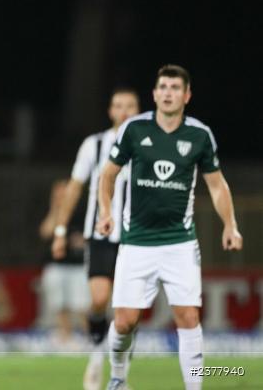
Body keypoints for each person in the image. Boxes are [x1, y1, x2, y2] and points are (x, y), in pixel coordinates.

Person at [97, 65, 243, 390]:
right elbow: (107, 175)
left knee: (188, 317)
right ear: (154, 94)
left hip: (179, 242)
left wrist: (230, 225)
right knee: (124, 322)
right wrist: (105, 212)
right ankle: (118, 379)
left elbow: (217, 186)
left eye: (175, 88)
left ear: (187, 95)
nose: (167, 92)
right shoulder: (134, 129)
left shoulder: (199, 135)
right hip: (136, 242)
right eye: (162, 86)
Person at [51, 88, 140, 390]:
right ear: (110, 111)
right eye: (118, 105)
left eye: (130, 106)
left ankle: (120, 377)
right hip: (100, 234)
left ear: (138, 110)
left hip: (136, 237)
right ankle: (96, 355)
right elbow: (75, 187)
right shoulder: (95, 144)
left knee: (128, 312)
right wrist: (61, 231)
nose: (124, 110)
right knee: (100, 300)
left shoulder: (147, 144)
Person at [38, 180, 89, 349]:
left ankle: (90, 339)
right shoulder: (53, 212)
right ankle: (66, 338)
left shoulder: (83, 212)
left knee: (82, 306)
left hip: (78, 267)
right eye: (58, 194)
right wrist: (55, 207)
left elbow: (91, 235)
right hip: (56, 266)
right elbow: (45, 232)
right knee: (60, 305)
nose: (61, 197)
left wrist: (82, 241)